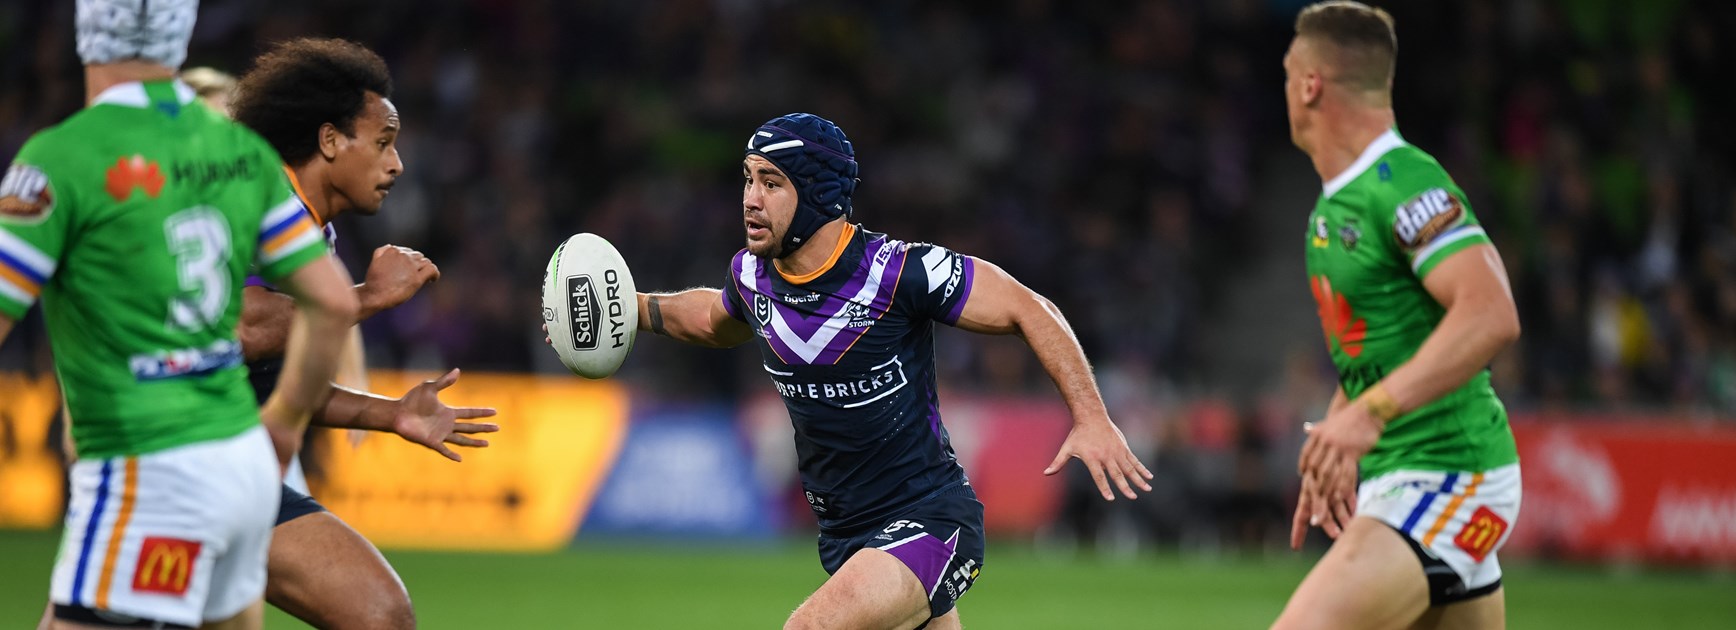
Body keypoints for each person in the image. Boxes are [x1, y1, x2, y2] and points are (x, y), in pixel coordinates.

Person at [621, 113, 1151, 630]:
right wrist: (633, 308)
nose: (750, 199)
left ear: (818, 194)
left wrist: (1091, 417)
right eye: (748, 179)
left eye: (771, 182)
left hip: (931, 520)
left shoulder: (897, 271)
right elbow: (714, 320)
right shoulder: (751, 276)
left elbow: (1028, 308)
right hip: (846, 534)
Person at [0, 1, 358, 628]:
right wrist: (283, 423)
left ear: (86, 31)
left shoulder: (63, 157)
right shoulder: (240, 151)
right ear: (181, 31)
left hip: (150, 470)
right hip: (242, 466)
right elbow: (331, 301)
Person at [227, 37, 497, 629]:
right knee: (377, 612)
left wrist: (391, 413)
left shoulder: (311, 231)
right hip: (171, 459)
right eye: (382, 143)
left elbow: (269, 379)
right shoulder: (258, 202)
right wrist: (369, 297)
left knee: (377, 613)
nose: (396, 164)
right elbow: (244, 328)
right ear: (329, 141)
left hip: (220, 461)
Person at [1275, 3, 1523, 629]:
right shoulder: (1334, 208)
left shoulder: (1403, 184)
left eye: (1287, 74)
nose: (1285, 89)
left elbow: (1491, 313)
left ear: (1310, 85)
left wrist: (1369, 414)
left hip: (1448, 474)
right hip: (1406, 477)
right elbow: (1382, 353)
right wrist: (1338, 432)